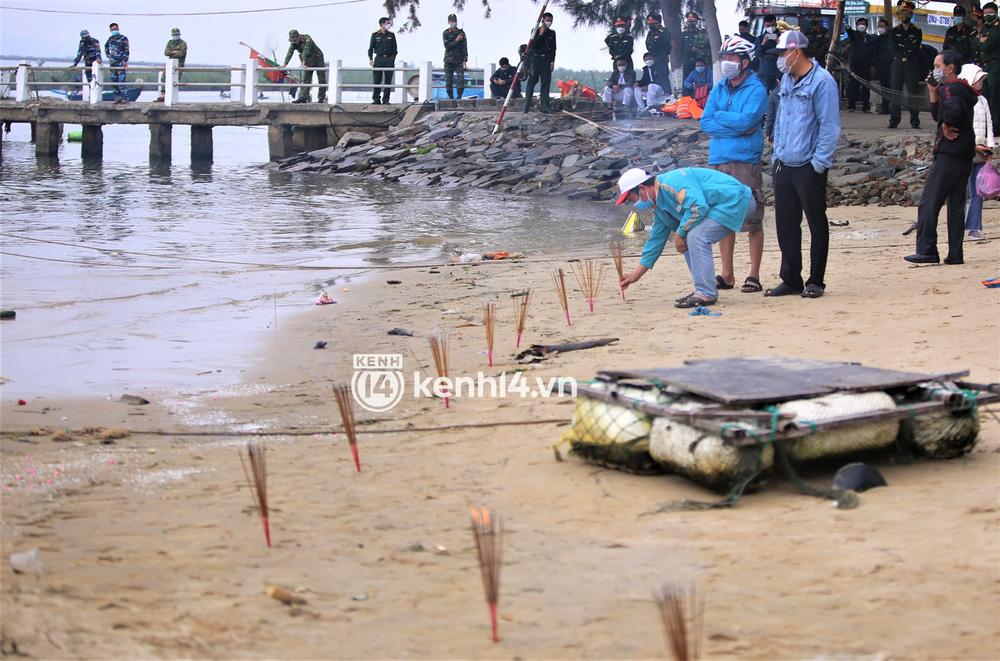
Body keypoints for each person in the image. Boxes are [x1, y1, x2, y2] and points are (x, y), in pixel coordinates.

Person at [767, 30, 841, 299]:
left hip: (809, 165)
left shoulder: (822, 82)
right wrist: (776, 154)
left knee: (815, 223)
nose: (780, 58)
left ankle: (816, 280)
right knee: (785, 224)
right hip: (783, 162)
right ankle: (791, 278)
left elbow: (829, 127)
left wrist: (818, 164)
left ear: (796, 52)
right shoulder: (786, 79)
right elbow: (781, 117)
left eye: (783, 53)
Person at [615, 167, 753, 309]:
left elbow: (698, 207)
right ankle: (702, 289)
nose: (635, 204)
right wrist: (635, 275)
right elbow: (655, 242)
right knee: (689, 235)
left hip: (736, 200)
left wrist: (680, 233)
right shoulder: (659, 207)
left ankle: (706, 292)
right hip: (721, 206)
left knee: (695, 236)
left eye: (632, 199)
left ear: (642, 188)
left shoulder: (670, 184)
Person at [700, 36, 768, 295]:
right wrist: (736, 126)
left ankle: (754, 275)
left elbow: (748, 120)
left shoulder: (756, 89)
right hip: (719, 159)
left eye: (731, 58)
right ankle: (726, 274)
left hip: (745, 161)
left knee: (752, 218)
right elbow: (706, 121)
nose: (726, 63)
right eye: (724, 58)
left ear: (745, 62)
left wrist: (727, 122)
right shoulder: (719, 87)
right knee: (721, 216)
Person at [905, 51, 979, 265]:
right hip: (964, 152)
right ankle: (955, 253)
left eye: (938, 65)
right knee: (955, 206)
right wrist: (932, 93)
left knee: (929, 202)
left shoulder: (951, 88)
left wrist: (947, 125)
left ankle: (927, 249)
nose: (935, 69)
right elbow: (940, 114)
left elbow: (951, 112)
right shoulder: (960, 88)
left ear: (950, 67)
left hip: (949, 152)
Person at [960, 63, 994, 240]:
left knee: (977, 191)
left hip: (981, 152)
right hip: (965, 150)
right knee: (962, 191)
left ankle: (974, 228)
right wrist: (973, 145)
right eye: (979, 79)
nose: (981, 82)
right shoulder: (964, 100)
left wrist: (989, 146)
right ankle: (961, 227)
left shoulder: (983, 100)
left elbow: (989, 124)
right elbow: (963, 127)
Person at [889, 0, 922, 129]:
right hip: (897, 64)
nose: (904, 15)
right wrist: (904, 53)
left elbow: (916, 47)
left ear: (911, 14)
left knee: (913, 93)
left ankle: (915, 121)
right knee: (895, 93)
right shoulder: (894, 31)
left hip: (911, 64)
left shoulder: (917, 31)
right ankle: (894, 121)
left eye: (907, 13)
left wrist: (907, 53)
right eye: (902, 12)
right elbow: (893, 48)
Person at [524, 12, 557, 113]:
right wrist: (541, 34)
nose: (549, 22)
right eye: (547, 20)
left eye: (550, 20)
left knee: (545, 84)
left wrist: (552, 62)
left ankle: (545, 106)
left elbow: (553, 49)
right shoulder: (535, 30)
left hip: (546, 60)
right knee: (531, 82)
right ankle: (526, 105)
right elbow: (533, 45)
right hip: (535, 59)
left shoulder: (552, 33)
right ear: (543, 20)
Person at [284, 30, 326, 104]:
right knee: (306, 78)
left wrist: (303, 62)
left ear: (299, 36)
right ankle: (303, 97)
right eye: (293, 40)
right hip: (307, 60)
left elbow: (306, 51)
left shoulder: (307, 38)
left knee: (321, 78)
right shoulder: (293, 43)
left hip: (317, 57)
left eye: (296, 40)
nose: (295, 42)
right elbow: (290, 52)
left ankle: (321, 98)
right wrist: (285, 64)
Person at [845, 18, 874, 112]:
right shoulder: (854, 35)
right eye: (859, 23)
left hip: (866, 65)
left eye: (863, 23)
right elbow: (849, 31)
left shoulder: (869, 38)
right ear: (856, 25)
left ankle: (866, 107)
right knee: (853, 86)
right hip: (855, 65)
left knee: (866, 87)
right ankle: (851, 105)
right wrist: (847, 27)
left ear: (866, 26)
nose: (861, 25)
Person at [368, 17, 397, 105]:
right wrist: (371, 59)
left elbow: (395, 49)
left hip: (389, 59)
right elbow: (370, 49)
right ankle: (376, 99)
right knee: (377, 80)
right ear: (382, 24)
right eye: (387, 23)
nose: (389, 25)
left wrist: (392, 59)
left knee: (388, 81)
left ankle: (386, 100)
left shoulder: (391, 35)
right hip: (379, 59)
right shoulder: (375, 35)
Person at [982, 3, 1000, 133]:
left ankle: (996, 127)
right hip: (986, 66)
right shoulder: (986, 27)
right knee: (985, 98)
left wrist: (983, 41)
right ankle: (988, 126)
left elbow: (988, 45)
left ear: (996, 12)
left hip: (996, 66)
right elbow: (975, 44)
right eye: (985, 13)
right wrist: (981, 41)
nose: (987, 15)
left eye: (990, 13)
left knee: (994, 99)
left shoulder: (997, 27)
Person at [442, 14, 468, 100]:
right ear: (449, 22)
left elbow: (465, 47)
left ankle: (459, 97)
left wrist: (465, 59)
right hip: (448, 61)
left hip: (459, 61)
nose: (454, 22)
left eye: (455, 21)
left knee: (461, 81)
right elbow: (447, 46)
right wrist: (456, 40)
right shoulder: (446, 33)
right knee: (448, 81)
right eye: (452, 21)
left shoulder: (461, 33)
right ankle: (451, 98)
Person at [645, 12, 671, 94]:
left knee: (663, 77)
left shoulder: (664, 32)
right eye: (649, 23)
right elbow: (648, 45)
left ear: (658, 22)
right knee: (654, 78)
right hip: (652, 58)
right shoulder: (650, 33)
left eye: (653, 23)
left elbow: (667, 46)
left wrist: (662, 55)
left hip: (661, 57)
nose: (651, 25)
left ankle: (667, 94)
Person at [104, 23, 129, 105]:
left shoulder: (123, 38)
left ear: (118, 28)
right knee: (114, 82)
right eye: (113, 29)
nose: (115, 30)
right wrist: (108, 55)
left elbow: (126, 50)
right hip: (112, 63)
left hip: (121, 62)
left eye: (116, 29)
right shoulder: (110, 39)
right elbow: (106, 47)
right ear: (110, 30)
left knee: (121, 82)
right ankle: (117, 98)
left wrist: (125, 61)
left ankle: (124, 98)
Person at [682, 12, 711, 80]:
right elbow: (681, 48)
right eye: (689, 21)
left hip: (699, 61)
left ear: (696, 21)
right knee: (687, 81)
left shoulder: (700, 33)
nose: (690, 23)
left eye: (692, 21)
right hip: (687, 61)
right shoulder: (683, 34)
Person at [756, 15, 781, 92]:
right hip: (764, 72)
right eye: (768, 26)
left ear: (776, 25)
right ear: (764, 25)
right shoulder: (760, 38)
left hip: (778, 71)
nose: (770, 28)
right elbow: (757, 54)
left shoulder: (782, 37)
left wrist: (779, 42)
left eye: (772, 25)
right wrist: (763, 43)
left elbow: (788, 53)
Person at [874, 18, 893, 113]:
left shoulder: (892, 37)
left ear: (887, 27)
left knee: (891, 88)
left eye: (882, 26)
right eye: (879, 26)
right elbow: (875, 53)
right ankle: (885, 108)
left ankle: (892, 108)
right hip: (881, 67)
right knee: (884, 88)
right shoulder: (878, 39)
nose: (880, 28)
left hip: (891, 66)